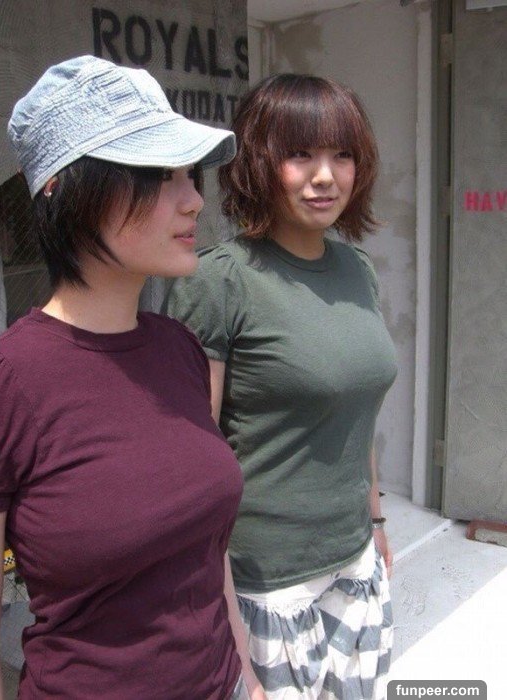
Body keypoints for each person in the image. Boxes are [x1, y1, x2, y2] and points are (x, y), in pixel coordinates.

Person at [0, 55, 251, 700]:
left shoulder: (180, 350)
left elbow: (208, 556)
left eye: (189, 175)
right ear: (67, 190)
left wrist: (250, 677)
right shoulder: (5, 383)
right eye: (158, 175)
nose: (194, 199)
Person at [164, 73, 399, 700]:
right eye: (299, 154)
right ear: (259, 162)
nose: (325, 176)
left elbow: (359, 416)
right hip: (265, 582)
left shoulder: (357, 269)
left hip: (355, 559)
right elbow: (191, 462)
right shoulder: (218, 280)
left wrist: (375, 519)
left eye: (342, 154)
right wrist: (217, 613)